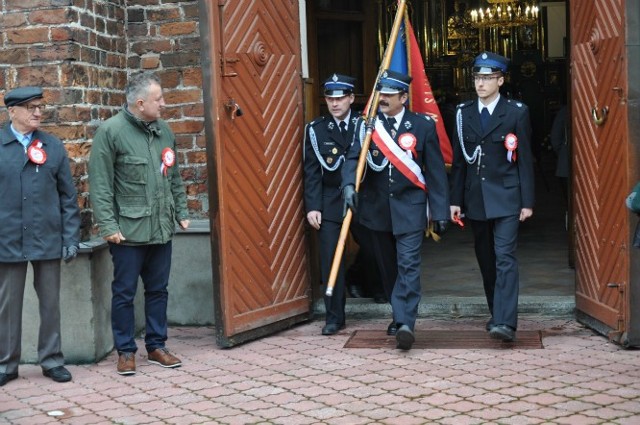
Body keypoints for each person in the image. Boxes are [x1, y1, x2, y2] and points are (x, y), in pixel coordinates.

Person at [89, 71, 190, 375]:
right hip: (128, 232)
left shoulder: (164, 131)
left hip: (161, 228)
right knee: (124, 292)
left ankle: (157, 346)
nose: (164, 104)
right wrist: (108, 225)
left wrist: (181, 211)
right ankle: (125, 351)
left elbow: (173, 175)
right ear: (140, 102)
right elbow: (100, 184)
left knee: (159, 290)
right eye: (159, 99)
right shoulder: (111, 132)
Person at [342, 70, 450, 350]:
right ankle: (398, 312)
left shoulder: (422, 126)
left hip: (411, 209)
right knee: (388, 268)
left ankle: (406, 323)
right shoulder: (367, 125)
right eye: (382, 94)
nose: (384, 99)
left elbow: (436, 173)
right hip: (375, 210)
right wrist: (347, 187)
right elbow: (353, 159)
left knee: (408, 265)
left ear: (404, 97)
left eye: (390, 94)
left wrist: (440, 212)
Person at [450, 52, 535, 342]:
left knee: (505, 257)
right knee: (486, 259)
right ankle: (495, 312)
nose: (480, 83)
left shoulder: (516, 112)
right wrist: (455, 200)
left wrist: (527, 202)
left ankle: (506, 322)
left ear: (500, 80)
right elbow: (461, 161)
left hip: (508, 197)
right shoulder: (463, 113)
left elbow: (525, 159)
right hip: (476, 200)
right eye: (477, 78)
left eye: (487, 78)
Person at [0, 87, 80, 386]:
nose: (37, 112)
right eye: (30, 107)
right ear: (12, 112)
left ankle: (52, 360)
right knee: (7, 306)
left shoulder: (53, 146)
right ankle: (6, 364)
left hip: (47, 237)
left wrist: (71, 238)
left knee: (50, 303)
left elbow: (68, 198)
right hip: (6, 239)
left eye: (40, 107)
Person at [303, 73, 361, 335]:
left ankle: (374, 286)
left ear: (351, 98)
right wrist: (313, 206)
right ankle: (334, 316)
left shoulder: (364, 125)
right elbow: (312, 172)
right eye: (330, 98)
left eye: (340, 98)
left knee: (377, 248)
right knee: (329, 259)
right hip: (330, 202)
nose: (335, 104)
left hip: (363, 199)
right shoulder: (316, 130)